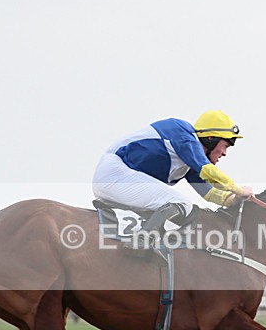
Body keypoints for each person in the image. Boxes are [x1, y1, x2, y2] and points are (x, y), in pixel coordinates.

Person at [92, 110, 254, 259]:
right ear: (211, 139)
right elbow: (209, 172)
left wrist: (232, 200)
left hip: (119, 181)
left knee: (175, 205)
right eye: (225, 146)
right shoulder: (182, 132)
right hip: (115, 174)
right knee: (181, 203)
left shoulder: (190, 160)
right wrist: (238, 190)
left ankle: (148, 244)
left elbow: (209, 193)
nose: (225, 153)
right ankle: (142, 240)